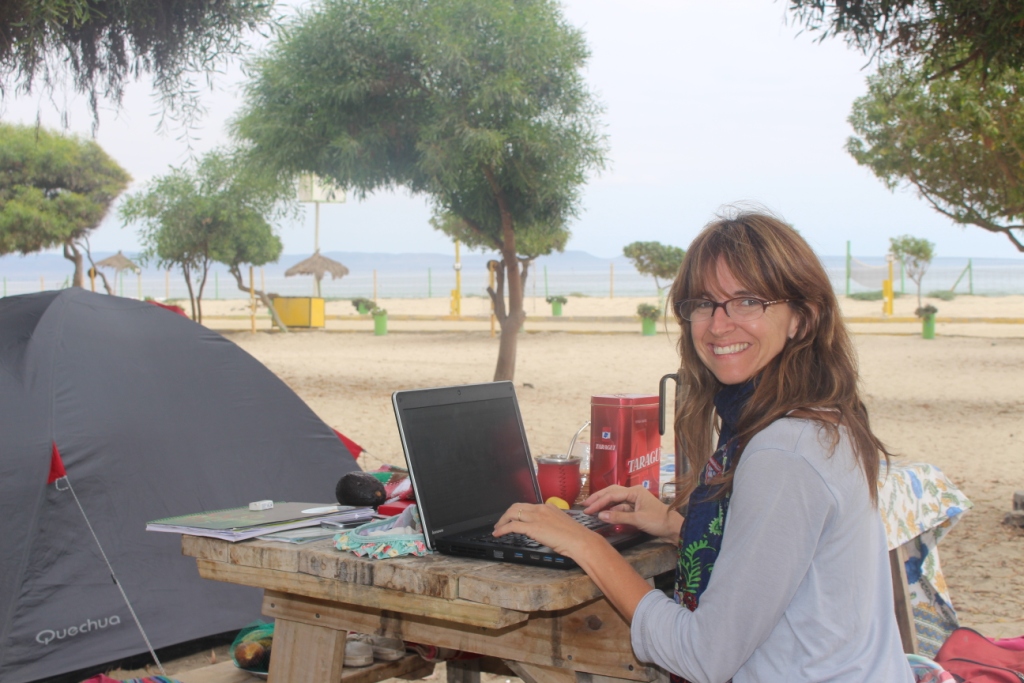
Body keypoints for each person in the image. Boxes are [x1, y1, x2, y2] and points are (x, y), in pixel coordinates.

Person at [494, 210, 914, 683]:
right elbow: (781, 568)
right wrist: (676, 526)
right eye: (704, 303)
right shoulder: (816, 417)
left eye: (748, 302)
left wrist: (585, 544)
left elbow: (702, 655)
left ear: (802, 317)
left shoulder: (784, 452)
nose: (718, 325)